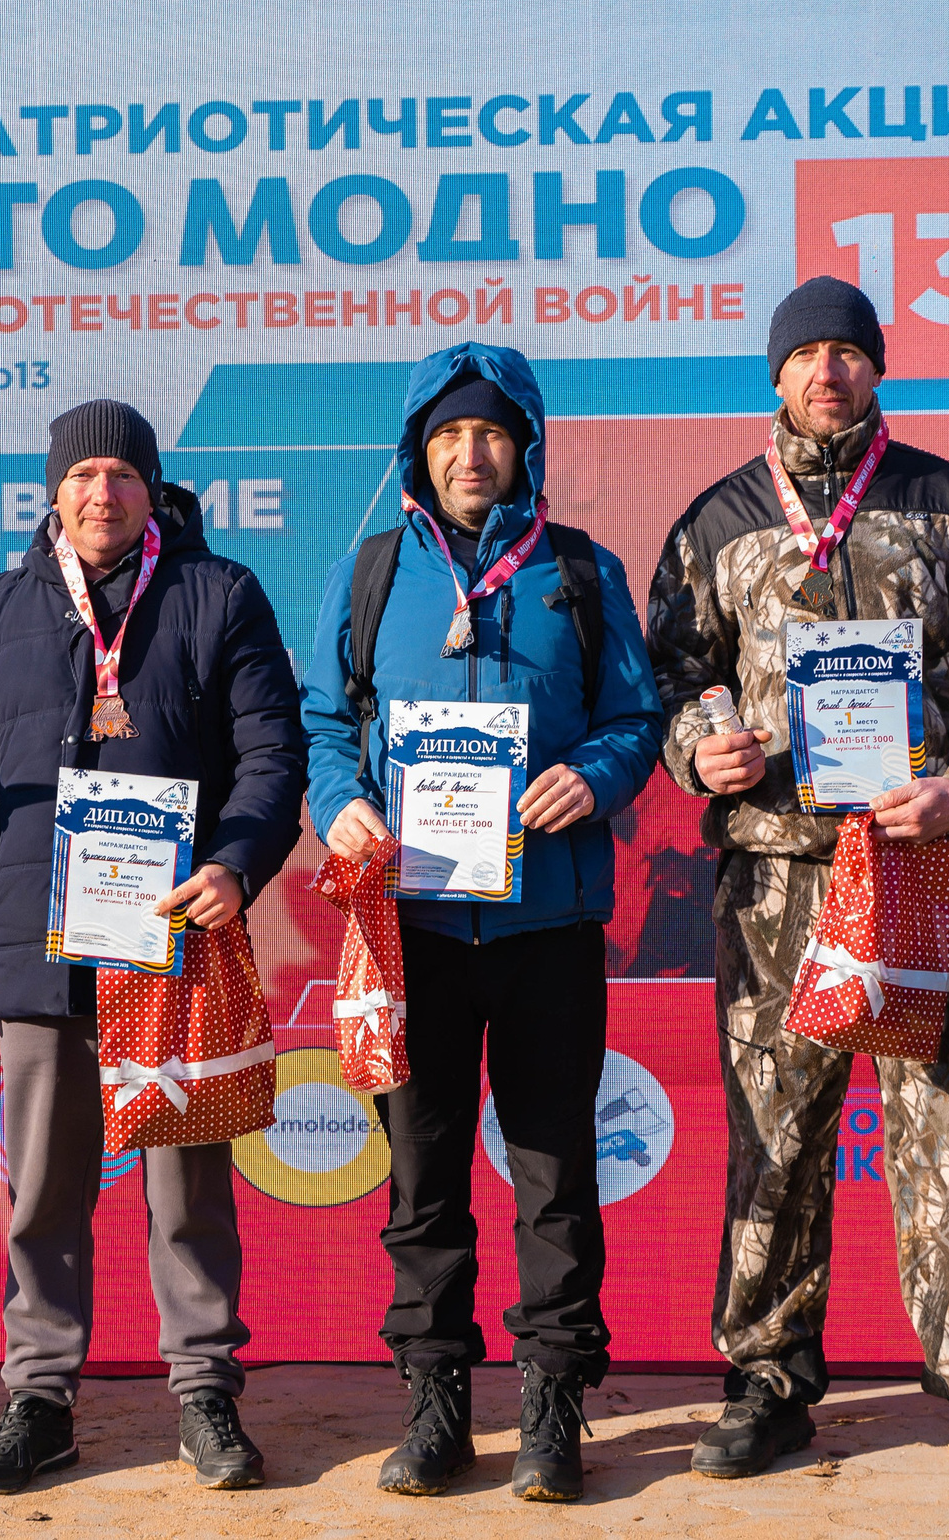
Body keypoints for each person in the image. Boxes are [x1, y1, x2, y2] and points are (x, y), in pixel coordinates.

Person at [647, 277, 949, 1506]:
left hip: (917, 857)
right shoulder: (716, 518)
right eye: (806, 354)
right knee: (774, 1136)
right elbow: (672, 673)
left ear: (876, 368)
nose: (827, 372)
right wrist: (696, 747)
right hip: (773, 871)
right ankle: (767, 1379)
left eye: (847, 352)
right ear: (772, 375)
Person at [0, 398, 306, 1498]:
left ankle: (206, 1389)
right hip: (41, 939)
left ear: (151, 488)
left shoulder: (217, 593)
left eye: (123, 474)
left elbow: (273, 751)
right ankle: (39, 1395)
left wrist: (232, 861)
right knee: (42, 1185)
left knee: (187, 1184)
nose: (102, 492)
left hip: (171, 935)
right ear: (52, 488)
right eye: (82, 473)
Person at [299, 344, 665, 1502]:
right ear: (419, 450)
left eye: (491, 433)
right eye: (450, 434)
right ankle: (436, 1404)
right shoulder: (369, 573)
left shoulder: (582, 571)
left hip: (545, 924)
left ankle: (554, 1406)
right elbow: (321, 718)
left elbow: (636, 715)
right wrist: (342, 803)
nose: (471, 452)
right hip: (410, 927)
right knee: (424, 1173)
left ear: (525, 447)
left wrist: (596, 777)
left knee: (554, 1170)